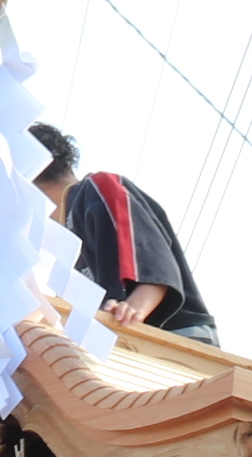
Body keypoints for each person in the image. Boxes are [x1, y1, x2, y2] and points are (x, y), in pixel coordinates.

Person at [32, 122, 219, 342]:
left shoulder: (96, 188)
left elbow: (153, 265)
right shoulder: (61, 238)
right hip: (131, 343)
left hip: (175, 338)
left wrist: (132, 310)